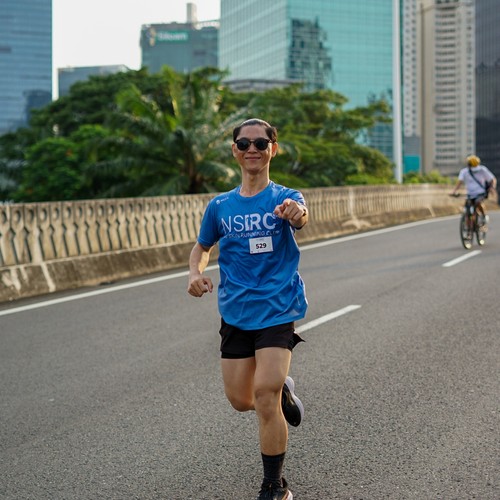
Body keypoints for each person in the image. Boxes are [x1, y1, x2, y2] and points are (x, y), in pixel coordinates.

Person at [187, 118, 308, 500]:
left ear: (273, 148)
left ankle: (275, 486)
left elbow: (302, 216)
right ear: (235, 151)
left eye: (260, 143)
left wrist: (296, 213)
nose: (252, 149)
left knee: (263, 395)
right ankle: (283, 390)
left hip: (277, 308)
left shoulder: (286, 197)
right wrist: (195, 273)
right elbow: (202, 247)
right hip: (236, 312)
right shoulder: (220, 206)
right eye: (244, 143)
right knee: (242, 401)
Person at [451, 155, 497, 227]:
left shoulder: (482, 170)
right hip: (470, 194)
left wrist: (492, 187)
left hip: (480, 193)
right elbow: (459, 182)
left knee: (478, 203)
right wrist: (454, 191)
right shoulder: (464, 171)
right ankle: (469, 227)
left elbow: (492, 179)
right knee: (467, 208)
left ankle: (484, 216)